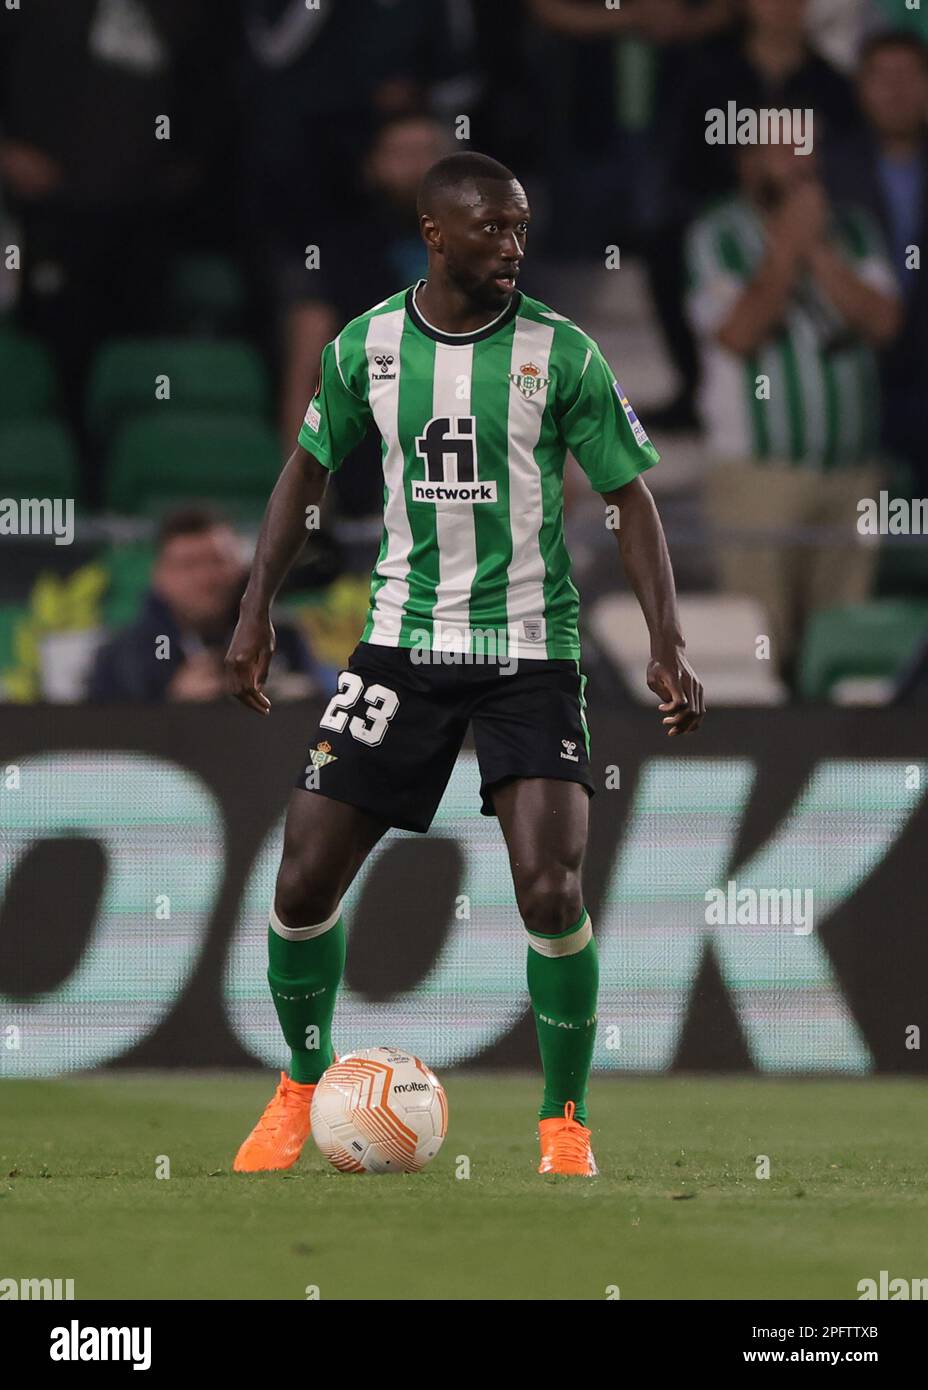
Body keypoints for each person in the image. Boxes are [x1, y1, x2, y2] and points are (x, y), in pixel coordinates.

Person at [225, 152, 705, 1179]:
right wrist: (254, 607)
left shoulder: (562, 353)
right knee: (304, 873)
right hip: (401, 642)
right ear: (434, 234)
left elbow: (629, 499)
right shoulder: (368, 348)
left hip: (532, 650)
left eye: (522, 226)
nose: (512, 244)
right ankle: (299, 1088)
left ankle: (562, 1123)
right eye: (491, 227)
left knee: (549, 887)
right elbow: (305, 470)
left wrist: (666, 640)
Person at [686, 137, 901, 687]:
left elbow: (882, 323)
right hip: (760, 473)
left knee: (844, 642)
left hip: (852, 471)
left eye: (805, 146)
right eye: (779, 149)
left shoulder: (852, 230)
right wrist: (785, 248)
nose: (799, 161)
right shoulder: (718, 234)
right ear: (748, 161)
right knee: (761, 641)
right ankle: (769, 761)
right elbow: (739, 331)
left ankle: (843, 759)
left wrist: (818, 250)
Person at [825, 30, 928, 495]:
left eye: (910, 76)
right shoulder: (829, 169)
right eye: (882, 76)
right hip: (854, 371)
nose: (896, 89)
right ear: (861, 88)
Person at [89, 508, 318, 703]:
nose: (206, 579)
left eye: (217, 561)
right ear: (160, 576)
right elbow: (105, 736)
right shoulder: (124, 654)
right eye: (189, 565)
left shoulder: (281, 636)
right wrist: (173, 704)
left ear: (241, 566)